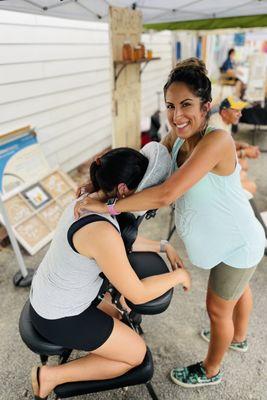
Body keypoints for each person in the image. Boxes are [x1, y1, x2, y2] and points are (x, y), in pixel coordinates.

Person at [75, 58, 265, 389]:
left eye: (186, 105)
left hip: (239, 240)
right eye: (170, 106)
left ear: (206, 106)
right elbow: (142, 165)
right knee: (239, 289)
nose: (177, 115)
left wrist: (109, 205)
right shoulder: (176, 139)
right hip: (222, 237)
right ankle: (239, 336)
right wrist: (100, 181)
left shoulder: (215, 141)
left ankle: (211, 369)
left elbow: (165, 194)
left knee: (218, 309)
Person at [29, 142, 191, 399]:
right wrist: (178, 276)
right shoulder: (100, 228)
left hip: (50, 296)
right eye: (141, 191)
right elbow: (137, 292)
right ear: (124, 189)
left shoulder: (89, 200)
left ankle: (99, 353)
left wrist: (164, 246)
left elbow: (120, 241)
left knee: (120, 311)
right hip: (58, 316)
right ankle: (50, 376)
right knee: (137, 354)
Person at [210, 96, 260, 194]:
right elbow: (219, 159)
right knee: (251, 187)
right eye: (236, 111)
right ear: (224, 112)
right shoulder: (216, 127)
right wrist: (244, 152)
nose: (240, 114)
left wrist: (242, 145)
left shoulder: (225, 120)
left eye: (240, 111)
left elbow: (227, 143)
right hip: (213, 173)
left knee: (243, 167)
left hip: (218, 166)